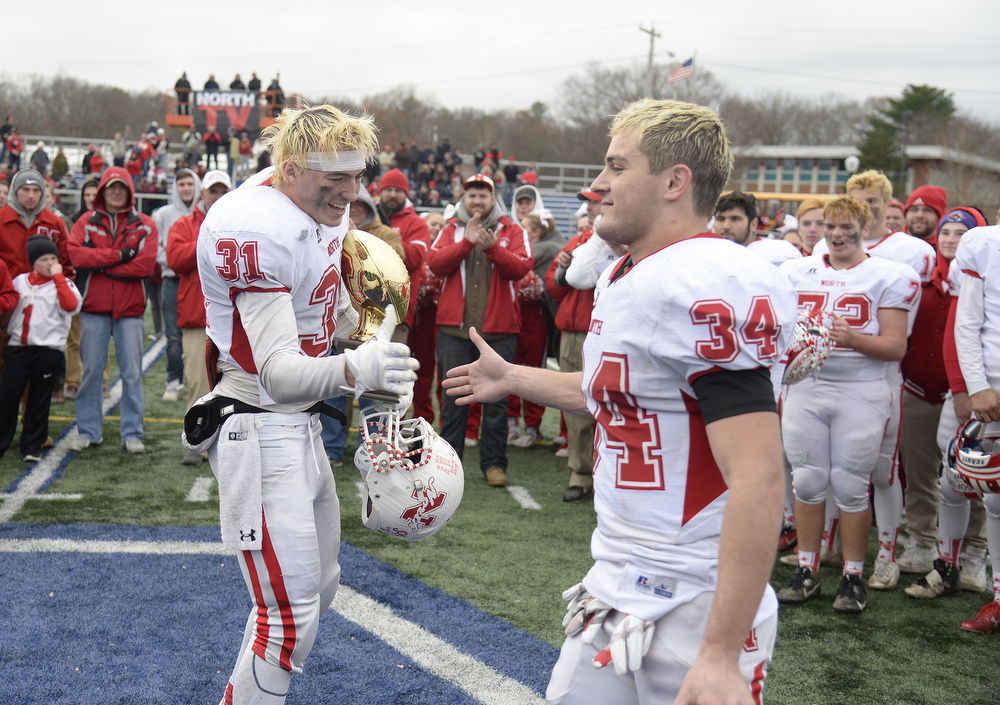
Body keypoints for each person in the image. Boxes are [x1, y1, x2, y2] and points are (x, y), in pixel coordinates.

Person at [446, 99, 798, 703]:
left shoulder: (709, 278)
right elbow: (618, 392)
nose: (596, 185)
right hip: (616, 576)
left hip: (694, 595)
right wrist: (514, 377)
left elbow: (761, 476)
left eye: (615, 167)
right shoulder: (627, 272)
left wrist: (717, 653)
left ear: (673, 181)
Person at [195, 104, 417, 704]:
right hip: (257, 423)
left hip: (301, 429)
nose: (351, 192)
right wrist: (356, 369)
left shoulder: (317, 209)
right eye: (335, 178)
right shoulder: (253, 225)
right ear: (291, 169)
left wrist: (376, 351)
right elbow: (278, 373)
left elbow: (328, 313)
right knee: (287, 615)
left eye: (357, 175)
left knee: (316, 589)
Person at [777, 195, 918, 614]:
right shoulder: (794, 272)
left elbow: (895, 346)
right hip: (807, 387)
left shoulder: (888, 275)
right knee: (807, 479)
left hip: (860, 388)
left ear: (866, 226)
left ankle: (853, 575)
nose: (836, 234)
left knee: (852, 484)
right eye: (829, 226)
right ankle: (807, 569)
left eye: (845, 226)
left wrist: (851, 338)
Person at [812, 169, 937, 589]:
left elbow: (906, 326)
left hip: (881, 373)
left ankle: (885, 555)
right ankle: (827, 544)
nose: (863, 206)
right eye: (855, 198)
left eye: (871, 200)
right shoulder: (824, 248)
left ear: (886, 203)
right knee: (827, 468)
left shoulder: (911, 252)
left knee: (881, 470)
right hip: (829, 373)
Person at [903, 207, 991, 602]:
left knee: (990, 486)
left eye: (961, 232)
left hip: (978, 390)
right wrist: (962, 388)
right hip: (955, 390)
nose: (951, 239)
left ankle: (975, 558)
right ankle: (941, 558)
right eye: (947, 231)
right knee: (945, 479)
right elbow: (961, 331)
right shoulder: (931, 273)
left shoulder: (978, 262)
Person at [429, 174, 531, 488]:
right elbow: (435, 263)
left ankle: (494, 464)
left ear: (493, 200)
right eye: (472, 195)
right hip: (454, 330)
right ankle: (449, 465)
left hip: (498, 331)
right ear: (463, 199)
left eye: (483, 196)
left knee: (497, 401)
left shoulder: (512, 230)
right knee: (453, 401)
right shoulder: (451, 229)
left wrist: (493, 250)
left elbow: (522, 267)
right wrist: (466, 244)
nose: (477, 201)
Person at [67, 167, 158, 454]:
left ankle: (132, 433)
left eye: (121, 188)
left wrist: (101, 264)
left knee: (132, 373)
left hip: (130, 312)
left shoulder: (145, 224)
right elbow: (77, 256)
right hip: (94, 309)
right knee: (92, 371)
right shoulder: (85, 221)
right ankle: (88, 431)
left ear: (129, 192)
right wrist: (118, 256)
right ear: (103, 190)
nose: (116, 192)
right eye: (111, 187)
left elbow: (144, 265)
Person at [944, 222, 1000, 632]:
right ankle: (998, 598)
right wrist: (977, 387)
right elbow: (967, 323)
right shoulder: (984, 243)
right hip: (994, 388)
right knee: (995, 500)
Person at [165, 169, 231, 464]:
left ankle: (227, 442)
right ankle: (196, 440)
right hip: (197, 316)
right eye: (212, 191)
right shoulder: (184, 224)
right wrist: (210, 239)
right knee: (197, 381)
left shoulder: (239, 221)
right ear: (202, 194)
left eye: (222, 192)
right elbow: (175, 260)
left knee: (232, 382)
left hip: (233, 318)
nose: (217, 197)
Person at [0, 236, 81, 463]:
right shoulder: (19, 281)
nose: (49, 263)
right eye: (44, 259)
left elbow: (71, 305)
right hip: (18, 347)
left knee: (38, 398)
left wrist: (58, 277)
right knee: (7, 397)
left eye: (53, 258)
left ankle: (32, 445)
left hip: (47, 350)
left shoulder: (63, 284)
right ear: (33, 262)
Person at [153, 168, 202, 402]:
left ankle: (196, 378)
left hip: (197, 281)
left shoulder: (205, 212)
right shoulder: (163, 214)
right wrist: (178, 259)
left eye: (189, 184)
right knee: (173, 334)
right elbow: (159, 250)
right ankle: (173, 379)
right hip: (172, 278)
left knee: (200, 334)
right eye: (181, 184)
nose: (186, 189)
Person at [374, 168, 429, 340]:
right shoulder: (368, 217)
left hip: (398, 313)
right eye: (388, 190)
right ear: (380, 192)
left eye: (398, 191)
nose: (392, 194)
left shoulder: (417, 224)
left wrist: (384, 237)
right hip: (362, 310)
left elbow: (414, 259)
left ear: (406, 194)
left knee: (392, 365)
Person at [713, 190, 801, 266]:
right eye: (720, 219)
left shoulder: (779, 251)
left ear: (753, 224)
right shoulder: (709, 254)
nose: (726, 226)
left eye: (735, 219)